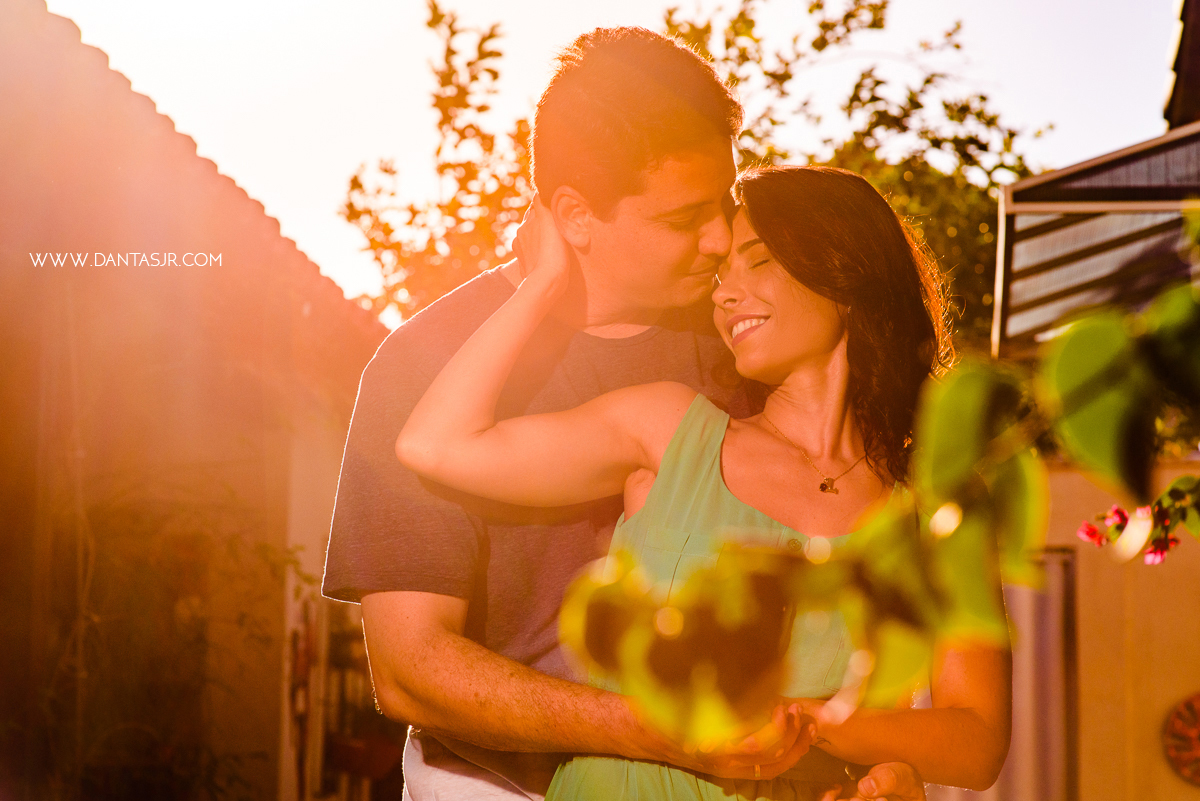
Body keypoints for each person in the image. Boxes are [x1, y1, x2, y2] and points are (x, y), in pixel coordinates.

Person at [324, 25, 929, 801]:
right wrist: (657, 730)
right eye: (683, 220)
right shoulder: (426, 365)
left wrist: (879, 766)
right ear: (574, 216)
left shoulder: (748, 348)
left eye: (725, 205)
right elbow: (410, 671)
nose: (719, 240)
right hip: (491, 787)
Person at [396, 165, 1012, 800]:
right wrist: (543, 283)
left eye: (757, 261)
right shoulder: (666, 431)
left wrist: (810, 726)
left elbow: (977, 740)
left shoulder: (940, 505)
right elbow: (435, 444)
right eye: (721, 278)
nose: (724, 294)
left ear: (844, 268)